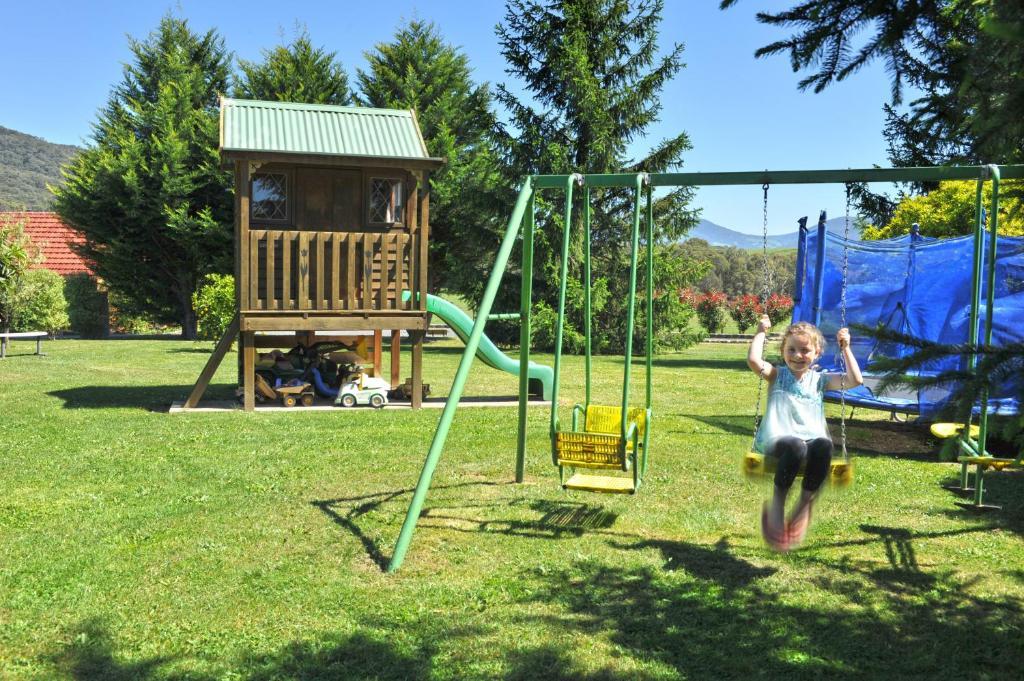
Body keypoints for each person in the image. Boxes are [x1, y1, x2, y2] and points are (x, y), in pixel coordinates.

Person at [747, 315, 863, 551]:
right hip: (778, 441)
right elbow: (753, 360)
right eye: (791, 349)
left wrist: (846, 349)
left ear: (817, 353)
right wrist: (761, 331)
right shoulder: (777, 375)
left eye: (805, 350)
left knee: (823, 445)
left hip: (810, 441)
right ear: (783, 351)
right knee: (796, 446)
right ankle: (778, 504)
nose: (798, 355)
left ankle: (804, 504)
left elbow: (855, 380)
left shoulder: (819, 380)